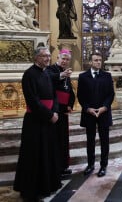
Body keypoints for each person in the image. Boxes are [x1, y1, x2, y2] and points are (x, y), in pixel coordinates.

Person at [13, 46, 64, 201]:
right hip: (35, 121)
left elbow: (54, 95)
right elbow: (33, 101)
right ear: (36, 58)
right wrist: (49, 115)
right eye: (44, 56)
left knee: (47, 153)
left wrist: (55, 111)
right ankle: (32, 188)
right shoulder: (29, 74)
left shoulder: (47, 73)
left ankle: (48, 184)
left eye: (49, 56)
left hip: (48, 120)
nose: (47, 58)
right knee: (34, 156)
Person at [77, 52, 115, 177]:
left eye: (100, 60)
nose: (98, 62)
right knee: (90, 141)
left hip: (103, 113)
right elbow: (80, 96)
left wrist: (105, 107)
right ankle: (90, 165)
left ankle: (103, 166)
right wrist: (88, 108)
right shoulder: (83, 77)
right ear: (90, 62)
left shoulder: (107, 76)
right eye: (96, 60)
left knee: (105, 141)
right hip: (89, 113)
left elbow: (111, 94)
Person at [46, 49, 75, 177]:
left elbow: (69, 90)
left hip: (64, 112)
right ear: (57, 57)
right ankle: (55, 168)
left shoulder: (66, 73)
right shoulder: (50, 69)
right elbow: (49, 80)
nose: (65, 61)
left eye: (67, 59)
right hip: (54, 111)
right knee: (54, 140)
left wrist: (70, 104)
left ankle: (63, 166)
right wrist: (61, 75)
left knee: (63, 140)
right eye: (63, 58)